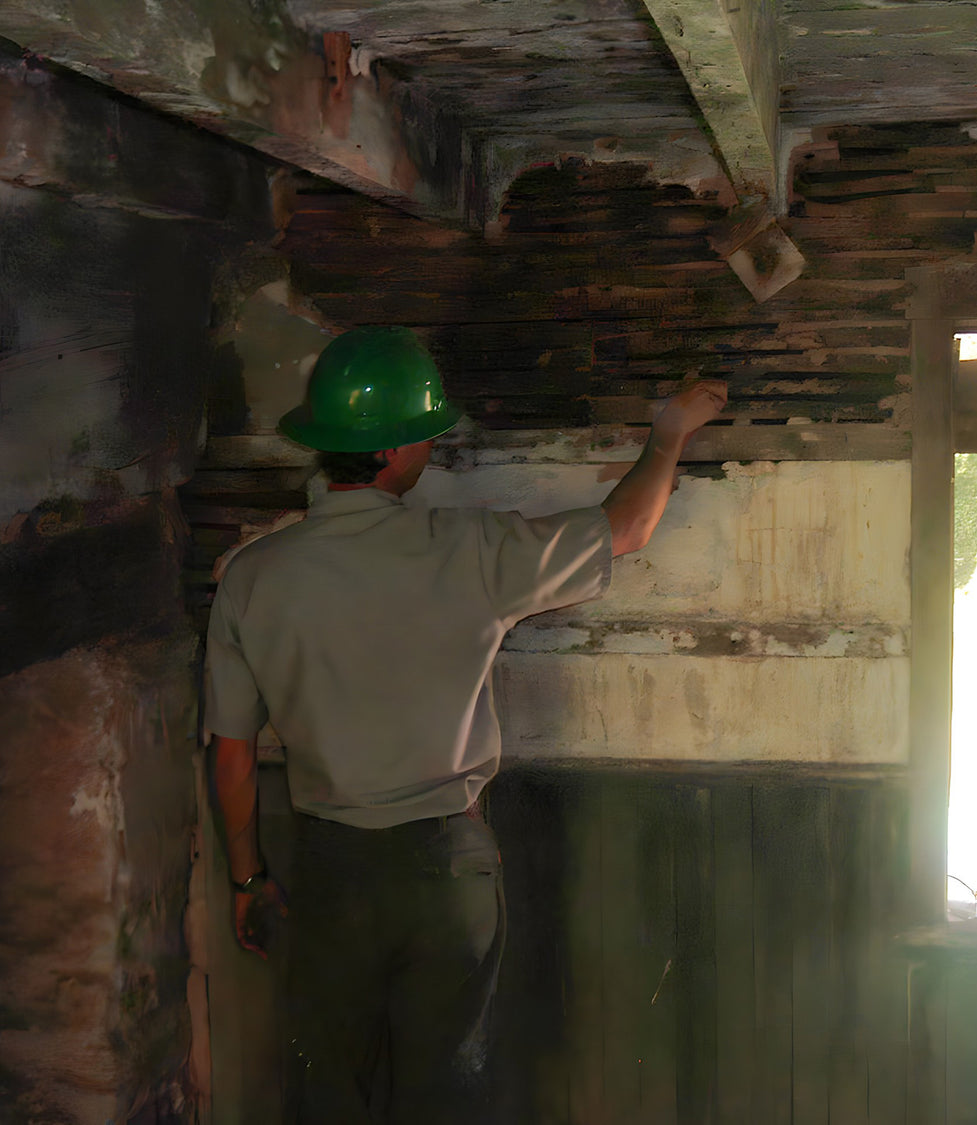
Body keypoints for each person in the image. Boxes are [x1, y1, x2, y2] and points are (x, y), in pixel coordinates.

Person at [204, 325, 726, 1123]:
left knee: (327, 1087)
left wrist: (247, 878)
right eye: (423, 433)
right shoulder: (470, 549)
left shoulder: (251, 578)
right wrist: (667, 436)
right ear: (391, 452)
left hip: (330, 868)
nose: (431, 446)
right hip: (445, 867)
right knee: (448, 1092)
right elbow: (625, 529)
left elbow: (232, 758)